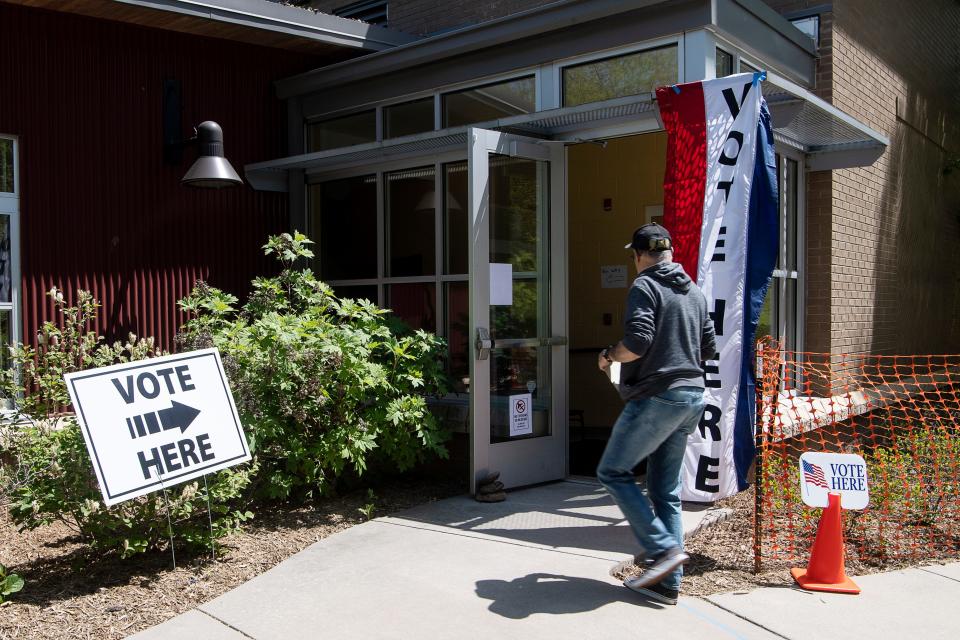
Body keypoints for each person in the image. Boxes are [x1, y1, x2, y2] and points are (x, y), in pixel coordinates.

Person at [596, 222, 716, 606]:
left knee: (612, 471)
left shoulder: (644, 286)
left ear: (639, 255)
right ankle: (668, 583)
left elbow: (637, 342)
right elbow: (708, 347)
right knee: (665, 491)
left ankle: (664, 550)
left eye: (634, 255)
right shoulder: (694, 291)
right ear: (669, 252)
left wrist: (608, 357)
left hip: (658, 398)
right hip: (693, 396)